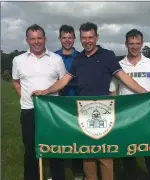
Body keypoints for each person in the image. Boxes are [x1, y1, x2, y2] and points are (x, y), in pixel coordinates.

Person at [32, 22, 150, 180]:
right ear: (80, 39)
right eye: (84, 38)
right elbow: (64, 80)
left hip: (105, 112)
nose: (87, 41)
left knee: (105, 155)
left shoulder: (108, 55)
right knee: (88, 154)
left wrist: (147, 94)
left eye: (90, 37)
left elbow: (124, 78)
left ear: (97, 37)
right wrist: (44, 92)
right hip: (84, 112)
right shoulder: (78, 59)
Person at [109, 29, 150, 180]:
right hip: (127, 118)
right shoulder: (119, 65)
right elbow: (112, 91)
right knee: (128, 155)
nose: (134, 47)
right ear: (126, 44)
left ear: (142, 43)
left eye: (137, 43)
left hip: (149, 116)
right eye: (131, 44)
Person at [12, 24, 66, 180]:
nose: (36, 42)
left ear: (45, 39)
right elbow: (16, 82)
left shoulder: (57, 59)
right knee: (30, 149)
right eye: (33, 39)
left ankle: (57, 177)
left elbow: (62, 83)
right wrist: (25, 97)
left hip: (52, 110)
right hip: (29, 110)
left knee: (55, 147)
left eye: (39, 38)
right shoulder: (18, 60)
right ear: (27, 40)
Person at [55, 25, 84, 180]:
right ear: (60, 39)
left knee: (77, 136)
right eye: (64, 37)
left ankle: (78, 169)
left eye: (70, 37)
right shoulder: (53, 57)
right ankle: (57, 170)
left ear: (74, 38)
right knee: (58, 136)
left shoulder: (81, 57)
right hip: (57, 105)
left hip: (76, 103)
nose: (67, 40)